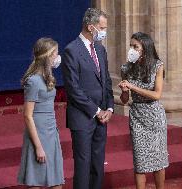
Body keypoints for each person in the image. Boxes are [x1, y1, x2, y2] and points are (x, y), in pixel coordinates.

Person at [61, 8, 114, 189]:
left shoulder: (100, 49)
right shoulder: (71, 50)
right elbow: (73, 89)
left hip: (102, 118)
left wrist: (110, 108)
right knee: (83, 166)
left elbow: (106, 80)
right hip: (83, 118)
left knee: (98, 165)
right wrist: (97, 111)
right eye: (102, 27)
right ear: (91, 27)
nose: (105, 32)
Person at [118, 32, 169, 189]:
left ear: (145, 48)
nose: (131, 49)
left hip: (154, 116)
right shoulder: (126, 68)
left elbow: (157, 94)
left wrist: (133, 86)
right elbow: (124, 100)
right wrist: (125, 91)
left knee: (158, 160)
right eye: (131, 46)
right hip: (137, 116)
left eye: (135, 46)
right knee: (140, 161)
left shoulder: (157, 66)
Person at [17, 37, 64, 188]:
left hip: (51, 132)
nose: (58, 57)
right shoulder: (34, 81)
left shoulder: (47, 77)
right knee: (36, 180)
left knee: (56, 181)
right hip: (38, 134)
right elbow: (28, 115)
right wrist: (38, 147)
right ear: (48, 56)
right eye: (56, 53)